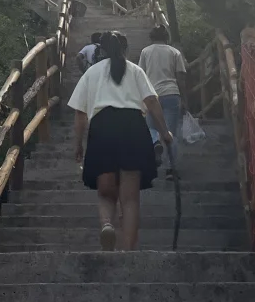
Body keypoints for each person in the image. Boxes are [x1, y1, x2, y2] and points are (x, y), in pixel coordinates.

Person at [68, 31, 173, 250]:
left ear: (100, 50)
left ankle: (107, 224)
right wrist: (164, 132)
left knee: (106, 192)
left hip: (102, 127)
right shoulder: (135, 70)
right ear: (125, 49)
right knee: (130, 199)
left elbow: (80, 114)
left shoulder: (91, 73)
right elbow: (152, 101)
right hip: (132, 127)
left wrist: (78, 143)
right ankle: (128, 251)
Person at [138, 24, 188, 174]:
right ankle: (171, 170)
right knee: (171, 132)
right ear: (166, 37)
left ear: (151, 37)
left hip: (152, 96)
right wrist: (184, 99)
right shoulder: (174, 52)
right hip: (172, 94)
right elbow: (181, 77)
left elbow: (142, 75)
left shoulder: (145, 52)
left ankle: (155, 142)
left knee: (151, 128)